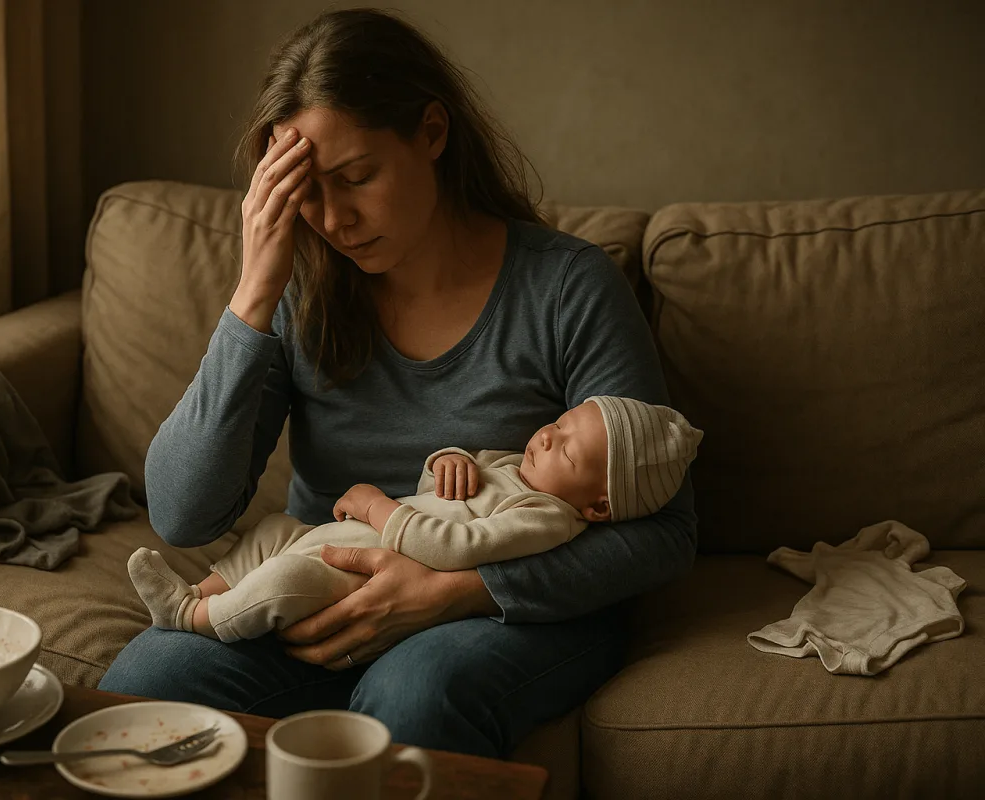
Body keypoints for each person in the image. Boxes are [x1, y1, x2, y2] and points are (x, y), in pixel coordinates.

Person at [98, 7, 698, 760]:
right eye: (305, 194)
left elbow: (667, 534)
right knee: (143, 678)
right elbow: (184, 514)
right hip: (317, 591)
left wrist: (454, 592)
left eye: (356, 177)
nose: (335, 220)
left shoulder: (568, 286)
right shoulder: (300, 290)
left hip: (495, 611)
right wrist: (253, 293)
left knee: (413, 697)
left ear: (432, 133)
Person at [128, 396, 702, 642]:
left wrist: (379, 506)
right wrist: (446, 463)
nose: (548, 435)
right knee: (274, 531)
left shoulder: (546, 518)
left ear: (596, 507)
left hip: (362, 575)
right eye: (560, 422)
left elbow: (453, 547)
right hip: (343, 532)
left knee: (283, 579)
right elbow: (438, 494)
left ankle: (193, 617)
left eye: (568, 452)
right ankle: (200, 588)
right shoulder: (515, 468)